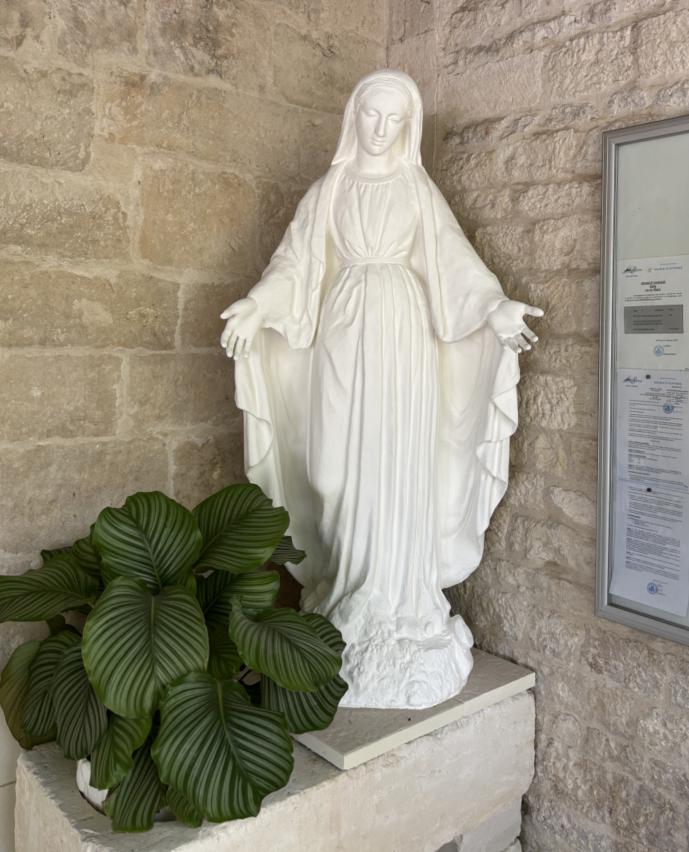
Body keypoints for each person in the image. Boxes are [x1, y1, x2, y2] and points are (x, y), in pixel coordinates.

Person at [220, 70, 542, 708]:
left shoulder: (417, 189)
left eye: (396, 119)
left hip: (402, 336)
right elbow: (293, 264)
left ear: (408, 126)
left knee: (395, 461)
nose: (381, 128)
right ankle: (343, 590)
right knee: (332, 470)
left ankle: (396, 602)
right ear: (354, 115)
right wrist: (257, 306)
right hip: (342, 332)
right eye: (373, 114)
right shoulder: (329, 188)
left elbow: (454, 262)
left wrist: (494, 308)